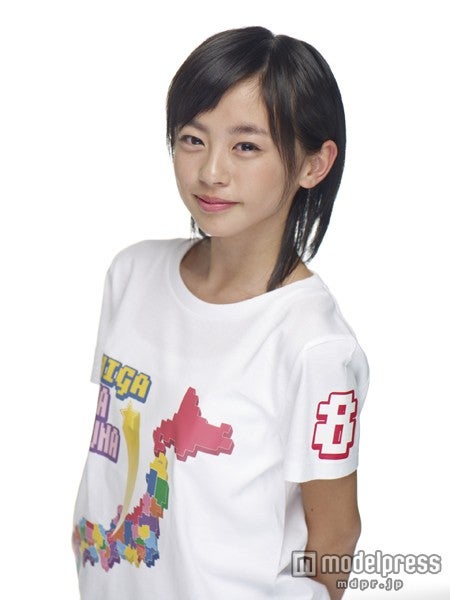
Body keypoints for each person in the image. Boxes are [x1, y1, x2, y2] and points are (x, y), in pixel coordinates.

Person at [72, 26, 369, 600]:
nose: (211, 171)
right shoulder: (131, 274)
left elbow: (336, 535)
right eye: (192, 138)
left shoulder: (316, 345)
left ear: (314, 164)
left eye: (246, 146)